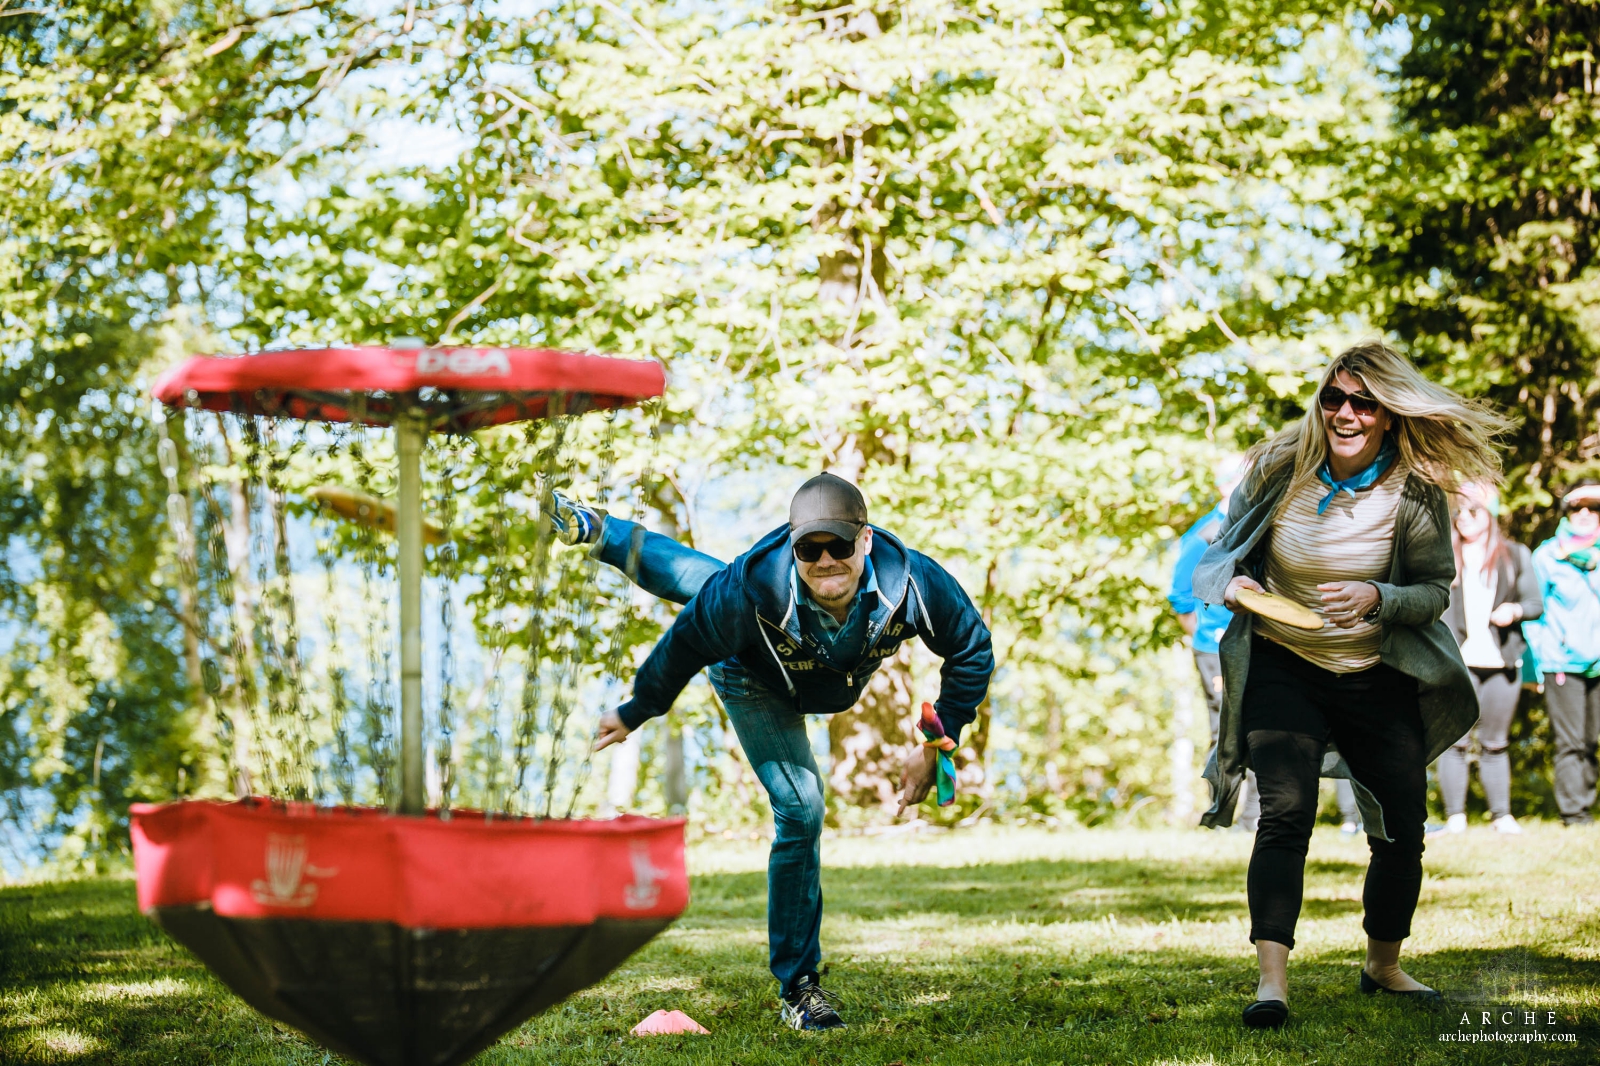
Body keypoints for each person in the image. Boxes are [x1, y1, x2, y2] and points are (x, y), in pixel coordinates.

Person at [552, 472, 994, 1030]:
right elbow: (685, 644)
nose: (826, 560)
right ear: (792, 547)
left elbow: (972, 648)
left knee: (707, 579)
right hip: (752, 676)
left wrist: (936, 743)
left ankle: (600, 528)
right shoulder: (753, 589)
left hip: (823, 675)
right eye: (810, 549)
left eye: (839, 545)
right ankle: (800, 988)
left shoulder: (912, 582)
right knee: (802, 807)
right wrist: (636, 709)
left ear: (866, 540)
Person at [1192, 341, 1508, 1029]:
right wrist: (1236, 586)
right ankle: (1271, 985)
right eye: (1334, 397)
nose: (1346, 413)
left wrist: (1377, 598)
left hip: (1375, 671)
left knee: (1401, 826)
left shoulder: (1415, 493)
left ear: (1388, 414)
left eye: (1364, 403)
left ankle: (1383, 965)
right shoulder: (1279, 469)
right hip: (1283, 663)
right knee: (1285, 813)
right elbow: (1215, 559)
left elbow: (1434, 591)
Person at [1438, 481, 1542, 834]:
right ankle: (1455, 817)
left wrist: (1514, 610)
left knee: (1495, 742)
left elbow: (1534, 603)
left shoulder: (1514, 555)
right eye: (1458, 511)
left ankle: (1501, 816)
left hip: (1501, 662)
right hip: (1458, 661)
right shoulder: (1443, 555)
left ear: (1490, 514)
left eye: (1473, 510)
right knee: (1454, 741)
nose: (1464, 517)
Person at [1169, 456, 1260, 829]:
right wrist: (1206, 636)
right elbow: (1180, 596)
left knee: (1262, 725)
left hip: (1259, 641)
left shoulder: (1260, 523)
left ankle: (1255, 818)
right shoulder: (1204, 534)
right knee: (1225, 730)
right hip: (1216, 648)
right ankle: (1220, 816)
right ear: (1225, 485)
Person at [1523, 479, 1600, 826]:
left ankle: (1586, 804)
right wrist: (1537, 662)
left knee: (1591, 739)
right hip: (1561, 662)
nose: (1584, 513)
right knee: (1571, 741)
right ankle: (1573, 813)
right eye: (1576, 507)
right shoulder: (1548, 556)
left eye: (1593, 507)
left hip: (1597, 662)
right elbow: (1534, 613)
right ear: (1566, 512)